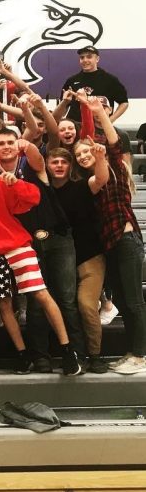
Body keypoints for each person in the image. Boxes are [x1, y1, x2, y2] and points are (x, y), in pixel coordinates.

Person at [0, 145, 83, 376]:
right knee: (4, 304)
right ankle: (22, 354)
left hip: (17, 245)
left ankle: (68, 351)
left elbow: (35, 197)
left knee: (41, 294)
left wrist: (15, 182)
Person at [74, 98, 146, 374]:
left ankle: (140, 355)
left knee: (134, 300)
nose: (83, 157)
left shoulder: (114, 169)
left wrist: (99, 114)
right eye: (79, 155)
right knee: (124, 301)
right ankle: (132, 352)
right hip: (110, 246)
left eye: (86, 152)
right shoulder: (89, 182)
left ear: (95, 151)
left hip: (125, 240)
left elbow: (115, 145)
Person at [46, 147, 108, 373]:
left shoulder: (81, 186)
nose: (60, 165)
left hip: (89, 256)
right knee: (65, 305)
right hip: (61, 260)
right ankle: (74, 355)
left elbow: (101, 178)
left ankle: (95, 355)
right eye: (55, 162)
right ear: (48, 165)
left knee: (86, 304)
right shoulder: (45, 192)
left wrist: (100, 157)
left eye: (64, 162)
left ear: (70, 166)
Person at [61, 46, 127, 121]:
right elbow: (63, 111)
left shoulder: (110, 80)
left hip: (99, 127)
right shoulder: (72, 80)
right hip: (76, 127)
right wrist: (64, 104)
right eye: (82, 57)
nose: (85, 60)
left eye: (89, 57)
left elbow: (124, 103)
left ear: (97, 59)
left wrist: (110, 120)